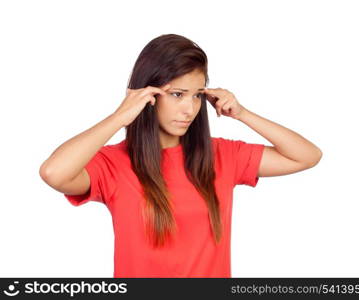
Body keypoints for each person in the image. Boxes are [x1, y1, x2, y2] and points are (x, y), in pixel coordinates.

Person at [39, 33, 322, 278]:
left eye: (196, 95)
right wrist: (119, 117)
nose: (190, 108)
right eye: (177, 94)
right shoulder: (114, 163)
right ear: (147, 94)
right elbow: (54, 173)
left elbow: (306, 156)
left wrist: (243, 114)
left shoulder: (221, 155)